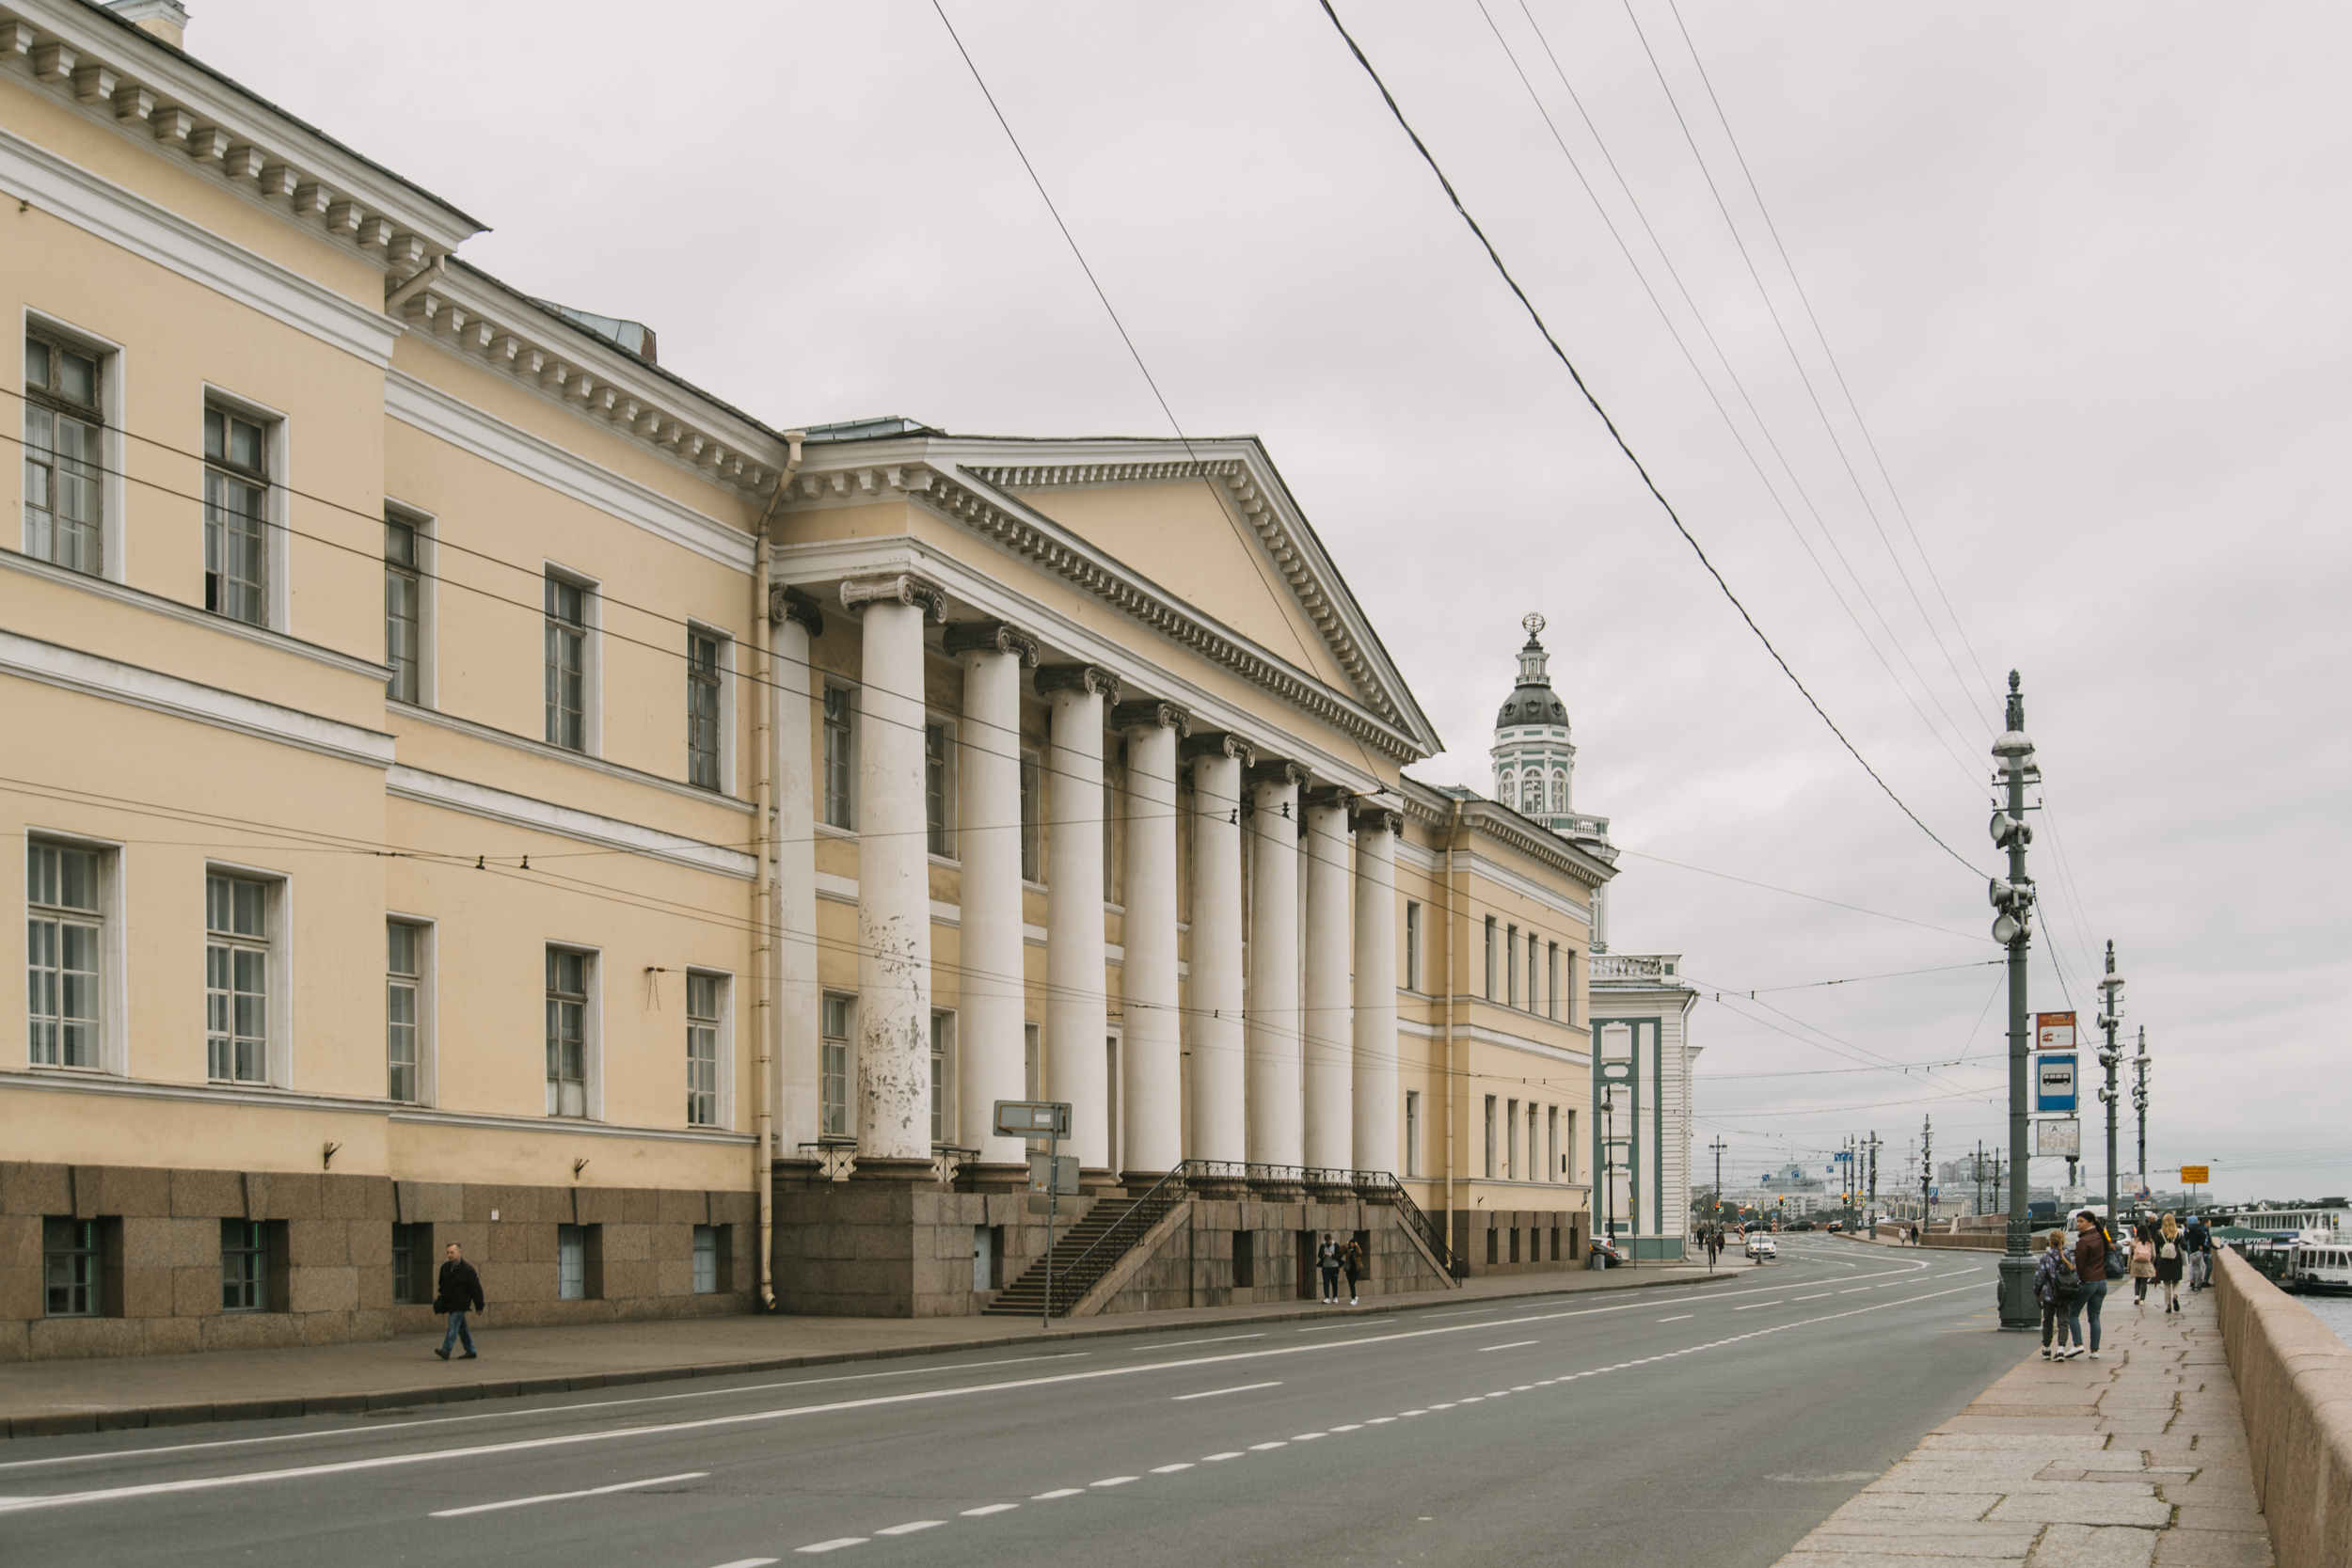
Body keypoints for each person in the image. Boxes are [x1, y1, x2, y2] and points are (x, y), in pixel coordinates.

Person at [2036, 1228, 2083, 1359]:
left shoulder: (2046, 1257)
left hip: (2049, 1294)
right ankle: (2061, 1350)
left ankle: (2047, 1349)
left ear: (2050, 1242)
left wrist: (2037, 1292)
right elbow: (2076, 1275)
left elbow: (2040, 1277)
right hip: (2066, 1293)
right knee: (2063, 1322)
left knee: (2048, 1321)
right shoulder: (2070, 1257)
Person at [433, 1242, 484, 1360]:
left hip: (461, 1303)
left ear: (459, 1253)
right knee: (462, 1327)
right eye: (448, 1253)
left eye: (452, 1252)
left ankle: (446, 1350)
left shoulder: (468, 1270)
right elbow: (442, 1285)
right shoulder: (445, 1267)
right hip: (450, 1303)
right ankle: (471, 1350)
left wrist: (479, 1306)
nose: (450, 1255)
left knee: (453, 1324)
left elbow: (476, 1289)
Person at [2072, 1210, 2109, 1359]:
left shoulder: (2084, 1241)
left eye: (2081, 1221)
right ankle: (2094, 1351)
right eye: (2077, 1221)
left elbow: (2079, 1266)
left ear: (2091, 1222)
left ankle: (2078, 1345)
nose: (2078, 1225)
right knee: (2094, 1317)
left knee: (2072, 1313)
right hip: (2102, 1281)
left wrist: (2076, 1282)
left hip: (2088, 1281)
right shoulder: (2100, 1236)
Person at [2155, 1214, 2185, 1312]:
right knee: (2176, 1281)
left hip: (2164, 1260)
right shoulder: (2178, 1233)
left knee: (2166, 1283)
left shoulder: (2159, 1233)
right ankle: (2175, 1296)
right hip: (2175, 1259)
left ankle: (2168, 1306)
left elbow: (2156, 1248)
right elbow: (2185, 1246)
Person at [2130, 1222, 2156, 1306]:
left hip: (2136, 1263)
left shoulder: (2134, 1241)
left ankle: (2136, 1296)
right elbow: (2154, 1254)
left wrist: (2129, 1265)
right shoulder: (2150, 1241)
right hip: (2146, 1263)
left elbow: (2131, 1255)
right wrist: (2151, 1262)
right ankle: (2142, 1299)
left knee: (2137, 1280)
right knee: (2144, 1282)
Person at [2185, 1213, 2213, 1292]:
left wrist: (2200, 1244)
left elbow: (2203, 1235)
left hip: (2195, 1251)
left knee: (2196, 1269)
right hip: (2195, 1251)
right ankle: (2197, 1284)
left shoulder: (2194, 1228)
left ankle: (2197, 1285)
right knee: (2197, 1268)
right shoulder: (2193, 1228)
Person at [1316, 1234, 1343, 1305]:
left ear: (1331, 1239)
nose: (1328, 1242)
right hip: (1325, 1267)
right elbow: (1319, 1255)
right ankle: (1327, 1297)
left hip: (1334, 1266)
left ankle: (1335, 1297)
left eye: (1329, 1241)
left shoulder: (1336, 1245)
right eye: (1327, 1241)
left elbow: (1340, 1255)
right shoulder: (1323, 1245)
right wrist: (1323, 1256)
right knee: (1326, 1282)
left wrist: (1332, 1255)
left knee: (1334, 1282)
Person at [1342, 1236, 1364, 1307]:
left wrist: (1357, 1246)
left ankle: (1353, 1298)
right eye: (1350, 1243)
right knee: (1350, 1283)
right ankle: (1355, 1296)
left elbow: (1360, 1253)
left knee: (1352, 1283)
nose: (1351, 1244)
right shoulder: (1348, 1249)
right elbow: (1340, 1251)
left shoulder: (1356, 1250)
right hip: (1349, 1269)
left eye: (1352, 1243)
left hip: (1356, 1269)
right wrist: (1345, 1245)